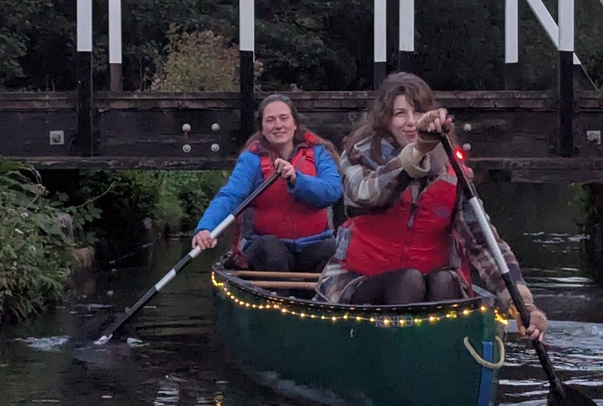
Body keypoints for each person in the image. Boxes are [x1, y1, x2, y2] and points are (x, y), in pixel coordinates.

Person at [315, 72, 548, 341]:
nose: (410, 122)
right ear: (386, 119)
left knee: (445, 280)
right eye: (400, 113)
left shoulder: (452, 172)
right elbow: (365, 194)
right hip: (360, 283)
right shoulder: (359, 155)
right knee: (408, 279)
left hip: (430, 289)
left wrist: (522, 303)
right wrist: (417, 153)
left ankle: (438, 353)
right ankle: (398, 352)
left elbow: (483, 243)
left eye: (418, 112)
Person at [192, 94, 343, 273]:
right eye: (270, 120)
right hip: (265, 246)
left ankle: (319, 298)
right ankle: (280, 298)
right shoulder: (251, 160)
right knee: (271, 250)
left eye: (284, 118)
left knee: (334, 250)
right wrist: (206, 227)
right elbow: (230, 196)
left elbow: (333, 191)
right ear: (262, 129)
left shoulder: (320, 153)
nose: (278, 125)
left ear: (295, 124)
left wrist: (296, 179)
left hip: (315, 244)